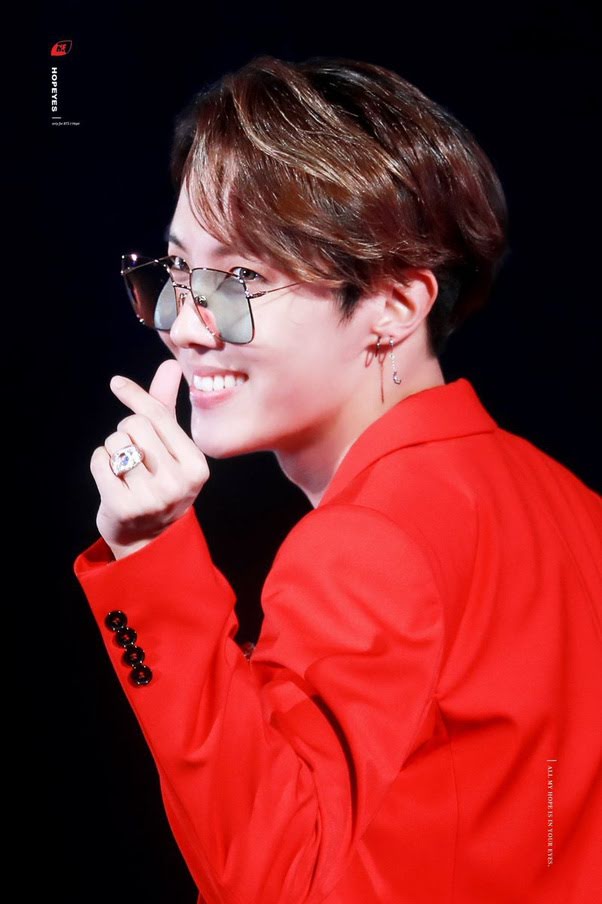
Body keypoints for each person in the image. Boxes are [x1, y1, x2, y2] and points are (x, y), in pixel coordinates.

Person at [73, 56, 601, 904]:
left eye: (242, 279)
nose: (187, 327)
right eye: (176, 273)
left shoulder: (367, 539)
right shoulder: (572, 506)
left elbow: (270, 879)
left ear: (396, 304)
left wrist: (151, 560)